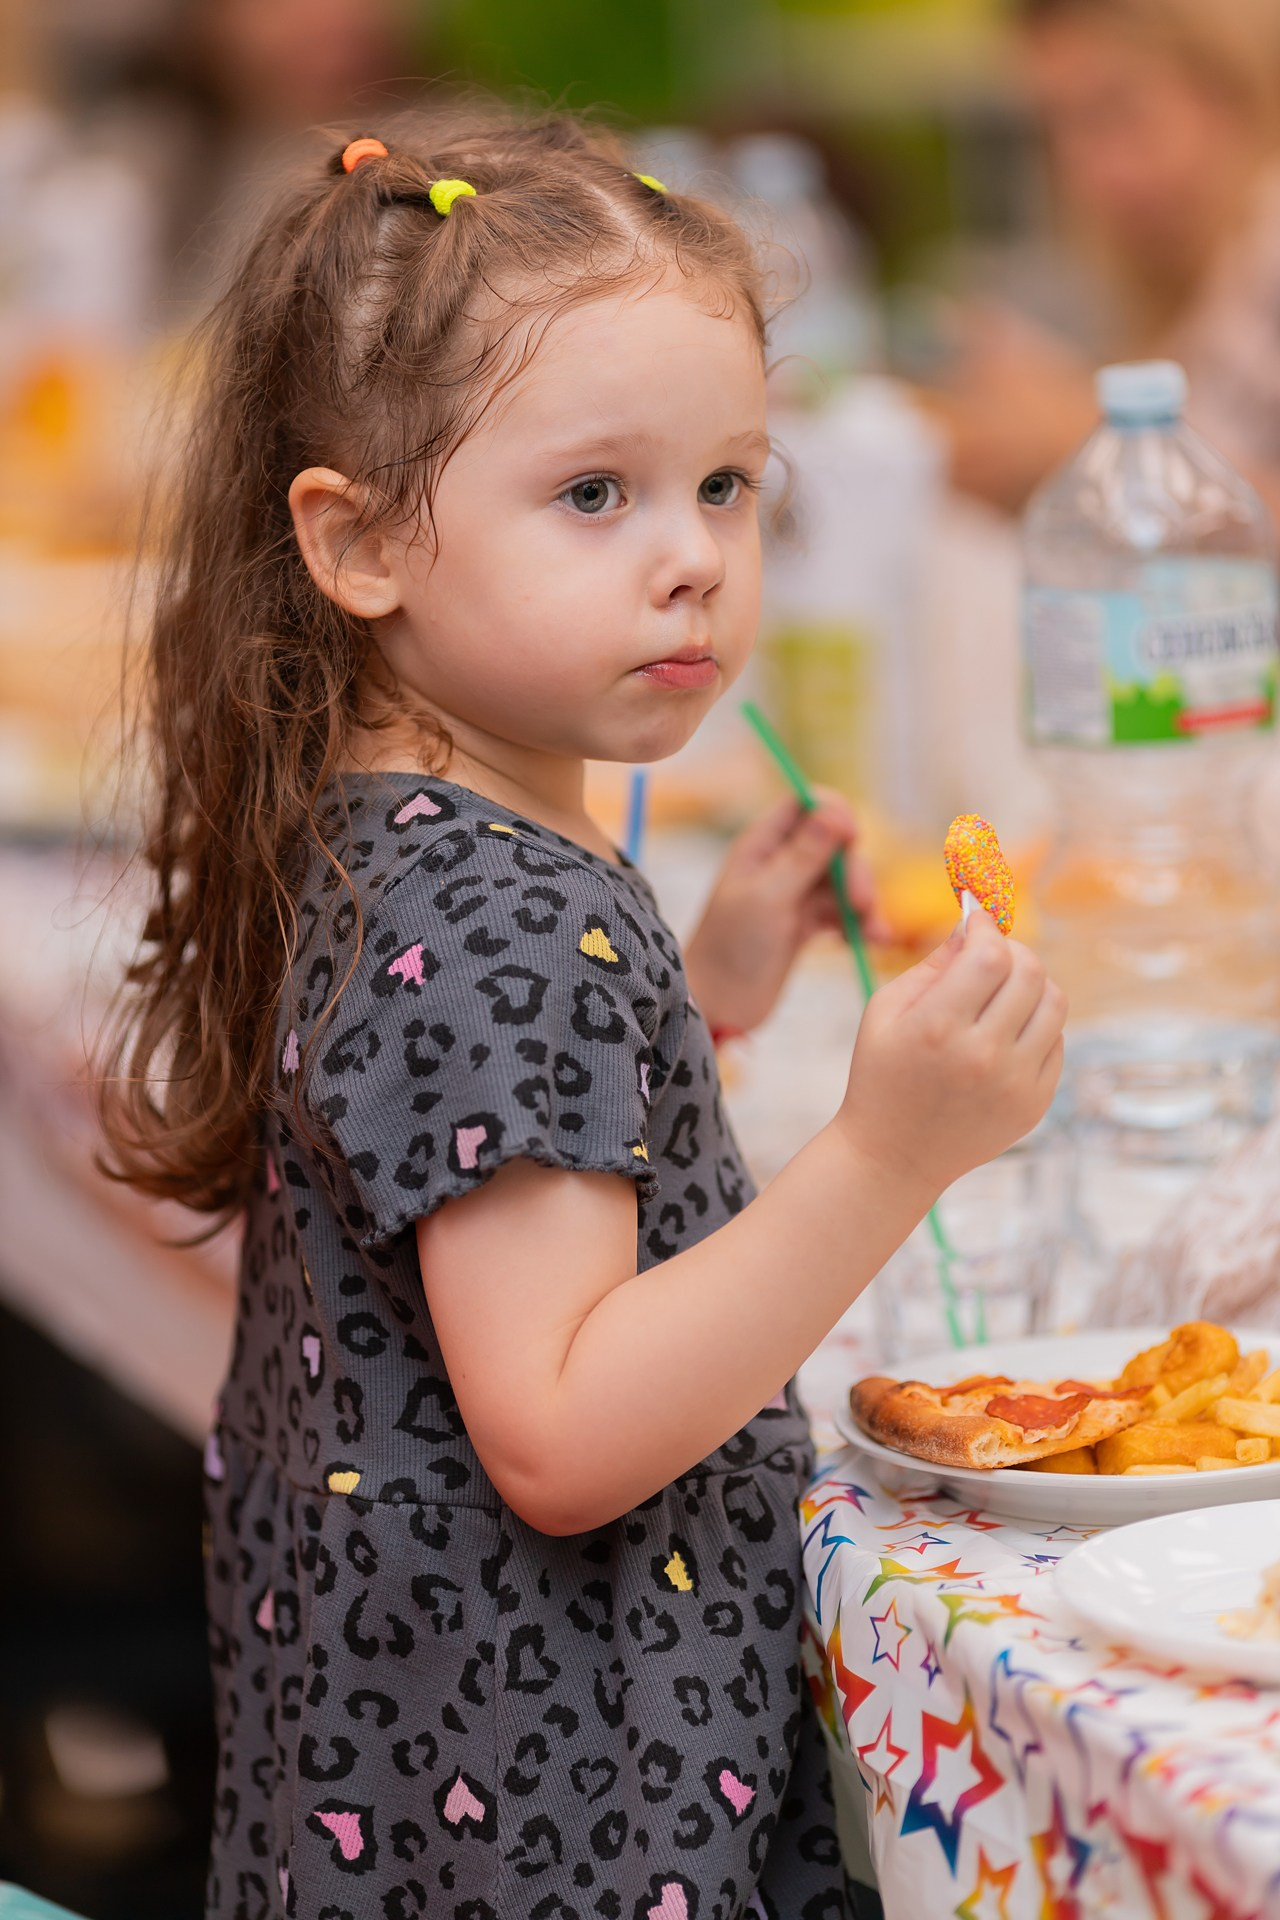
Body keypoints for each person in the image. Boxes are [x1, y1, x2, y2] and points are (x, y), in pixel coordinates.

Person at [98, 106, 1065, 1920]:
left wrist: (703, 999)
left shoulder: (402, 832)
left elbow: (473, 1152)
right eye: (594, 495)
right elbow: (559, 1431)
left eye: (727, 485)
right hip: (556, 1830)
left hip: (407, 1790)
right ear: (359, 542)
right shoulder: (500, 907)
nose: (692, 556)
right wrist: (890, 1152)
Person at [926, 0, 1280, 510]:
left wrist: (1098, 443)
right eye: (1057, 129)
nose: (1091, 172)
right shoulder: (1201, 280)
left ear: (1225, 87)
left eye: (1115, 111)